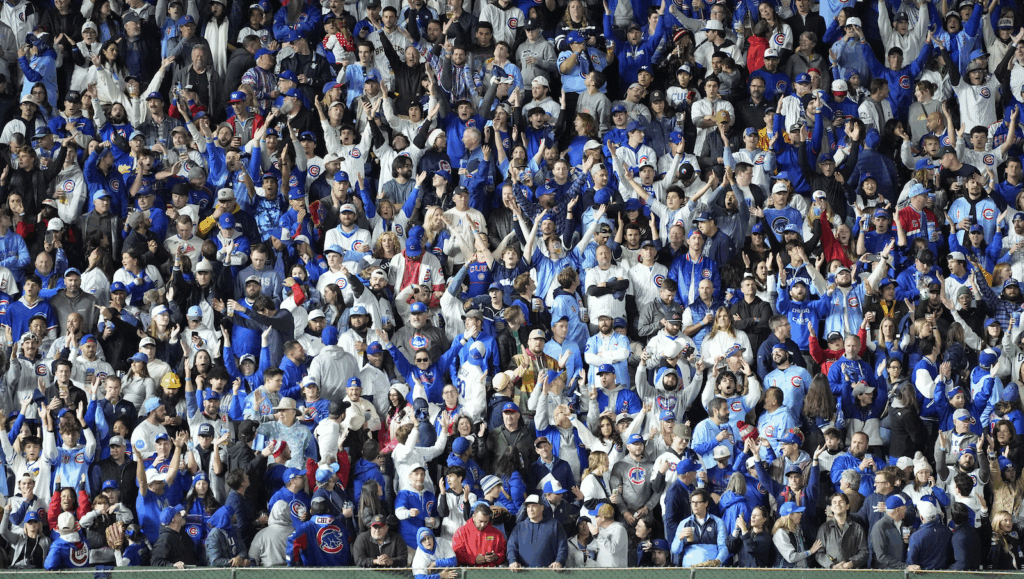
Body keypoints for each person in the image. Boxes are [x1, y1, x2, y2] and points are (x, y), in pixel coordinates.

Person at [507, 495, 568, 569]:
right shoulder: (519, 527)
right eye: (528, 507)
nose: (530, 509)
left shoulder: (555, 525)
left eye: (533, 506)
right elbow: (511, 547)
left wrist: (559, 561)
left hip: (549, 573)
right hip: (523, 573)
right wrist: (512, 560)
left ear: (542, 507)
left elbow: (563, 547)